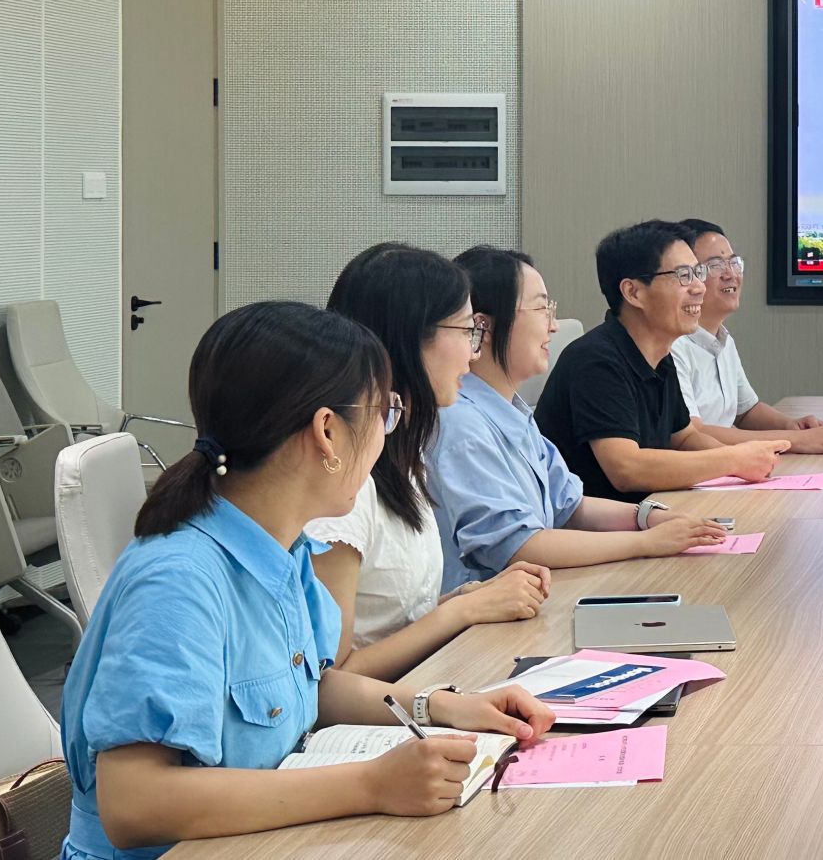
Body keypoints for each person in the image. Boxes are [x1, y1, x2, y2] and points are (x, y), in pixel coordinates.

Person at [57, 302, 553, 860]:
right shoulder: (178, 581)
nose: (386, 434)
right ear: (327, 432)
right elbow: (134, 804)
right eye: (383, 413)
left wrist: (443, 706)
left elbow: (308, 687)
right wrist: (370, 784)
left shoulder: (283, 549)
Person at [308, 244, 553, 682]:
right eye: (466, 331)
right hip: (380, 713)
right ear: (410, 339)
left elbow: (388, 623)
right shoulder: (345, 484)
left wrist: (467, 600)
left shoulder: (402, 452)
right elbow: (331, 677)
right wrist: (461, 611)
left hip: (421, 687)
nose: (473, 353)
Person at [429, 245, 728, 590]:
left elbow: (570, 507)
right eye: (541, 309)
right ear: (483, 326)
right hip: (492, 613)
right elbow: (518, 546)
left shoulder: (512, 412)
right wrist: (645, 542)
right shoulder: (461, 423)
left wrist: (649, 517)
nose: (553, 326)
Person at [539, 219, 789, 500]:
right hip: (597, 523)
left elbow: (684, 438)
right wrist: (732, 460)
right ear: (633, 292)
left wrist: (745, 464)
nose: (699, 287)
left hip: (652, 511)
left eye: (697, 273)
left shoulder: (660, 355)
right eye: (683, 275)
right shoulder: (596, 360)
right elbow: (627, 468)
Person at [671, 218, 823, 453]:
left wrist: (792, 426)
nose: (730, 274)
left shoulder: (723, 340)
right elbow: (692, 435)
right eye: (715, 265)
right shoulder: (673, 346)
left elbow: (746, 411)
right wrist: (795, 441)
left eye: (734, 263)